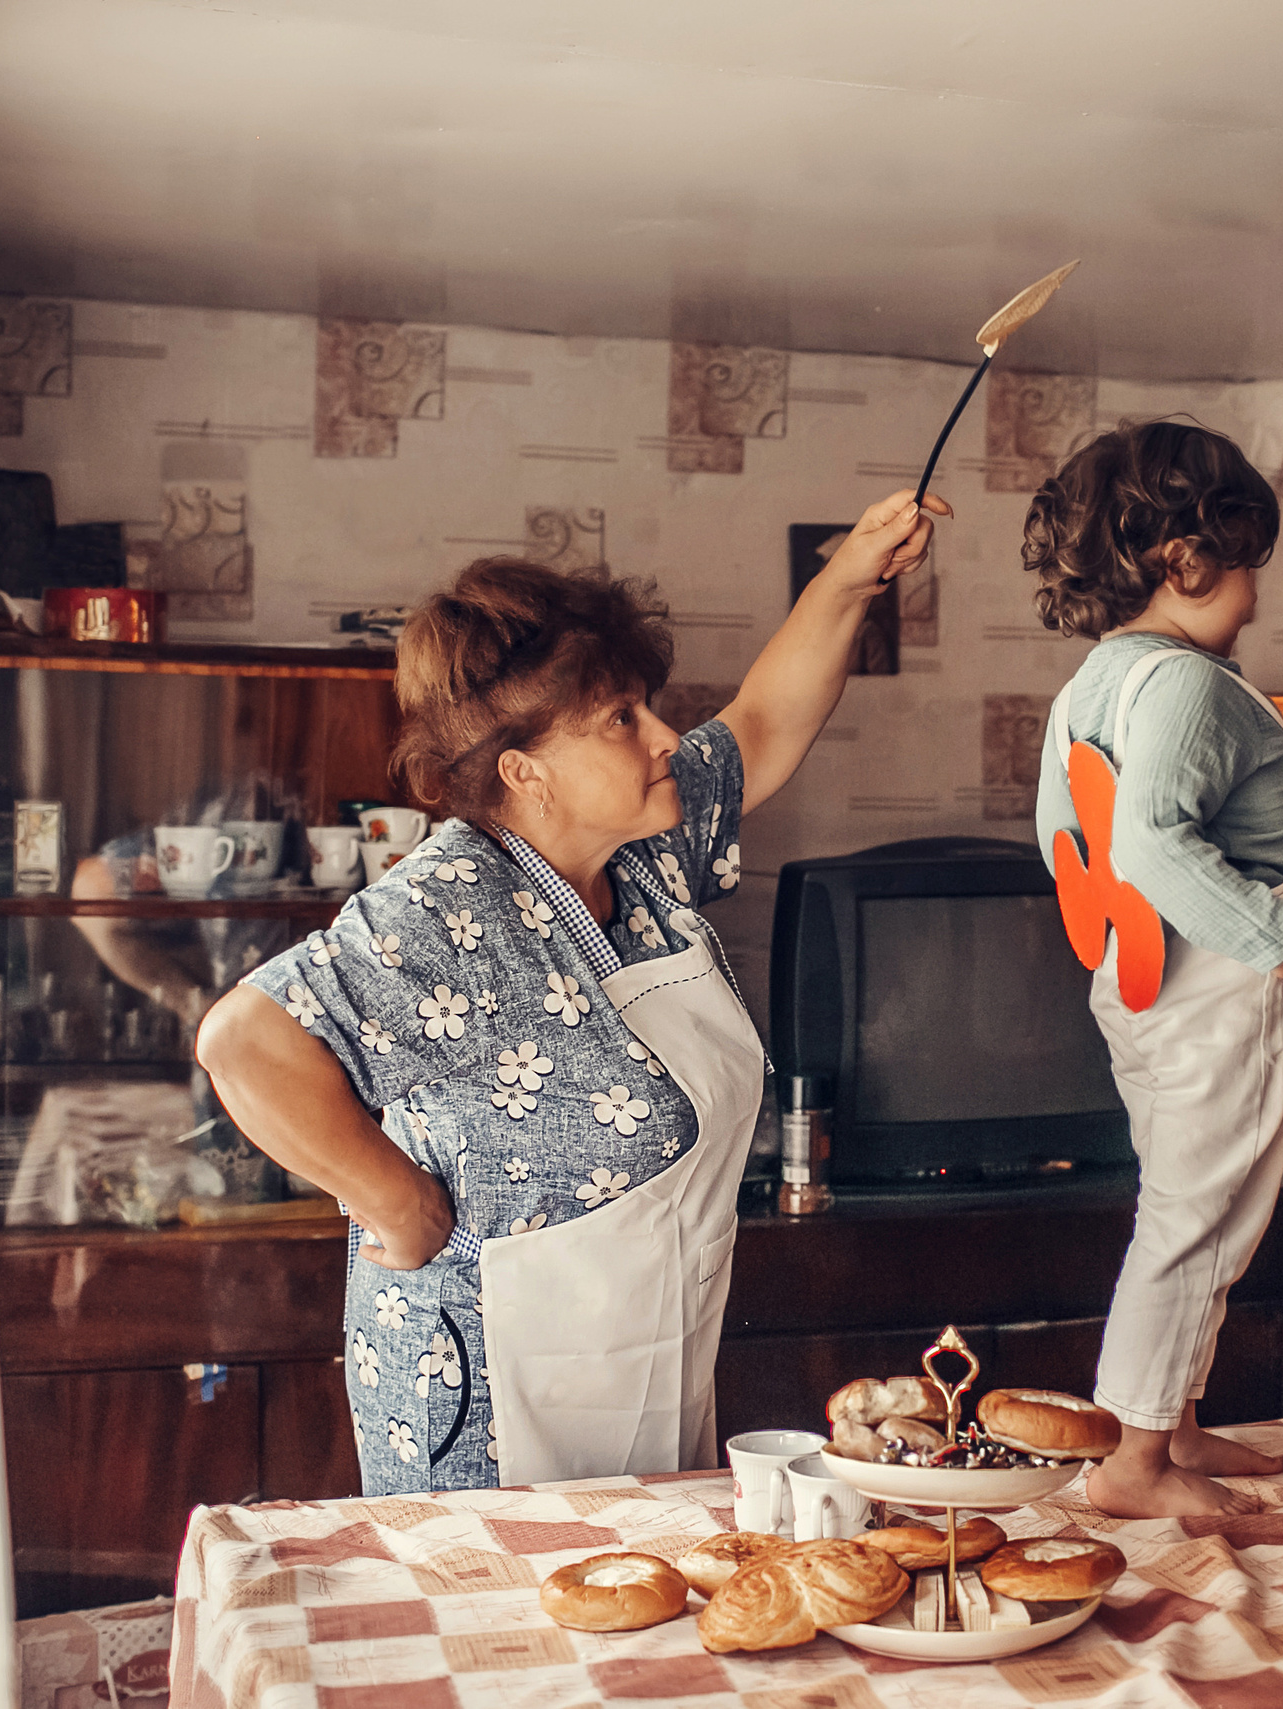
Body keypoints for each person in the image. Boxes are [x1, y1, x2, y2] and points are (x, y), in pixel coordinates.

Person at [195, 490, 945, 1493]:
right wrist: (395, 1200)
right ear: (525, 770)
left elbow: (760, 723)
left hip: (641, 1361)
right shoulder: (449, 898)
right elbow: (246, 1039)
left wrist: (851, 573)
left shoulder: (645, 853)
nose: (665, 737)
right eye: (622, 720)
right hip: (490, 1400)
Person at [1025, 420, 1283, 1518]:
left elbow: (1066, 838)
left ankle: (1174, 1423)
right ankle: (1135, 1459)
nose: (1255, 593)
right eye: (1248, 564)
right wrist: (1280, 937)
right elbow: (1153, 842)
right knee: (1204, 1214)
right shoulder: (1193, 685)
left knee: (1180, 1197)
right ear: (1186, 560)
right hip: (1218, 989)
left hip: (1140, 980)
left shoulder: (1092, 683)